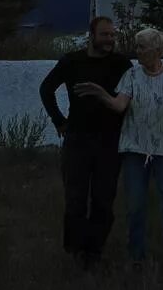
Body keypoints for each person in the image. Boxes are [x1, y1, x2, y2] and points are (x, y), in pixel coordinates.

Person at [74, 27, 163, 283]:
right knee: (136, 207)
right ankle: (136, 259)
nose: (137, 51)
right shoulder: (132, 75)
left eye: (142, 47)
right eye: (137, 46)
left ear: (158, 50)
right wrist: (101, 93)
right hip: (135, 151)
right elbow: (119, 105)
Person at [39, 16, 133, 271]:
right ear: (91, 36)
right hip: (78, 141)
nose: (110, 40)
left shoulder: (121, 64)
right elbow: (46, 89)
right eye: (105, 35)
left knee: (103, 200)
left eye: (113, 35)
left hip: (110, 142)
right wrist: (59, 121)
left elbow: (132, 96)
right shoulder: (72, 61)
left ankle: (94, 252)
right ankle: (75, 251)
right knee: (76, 199)